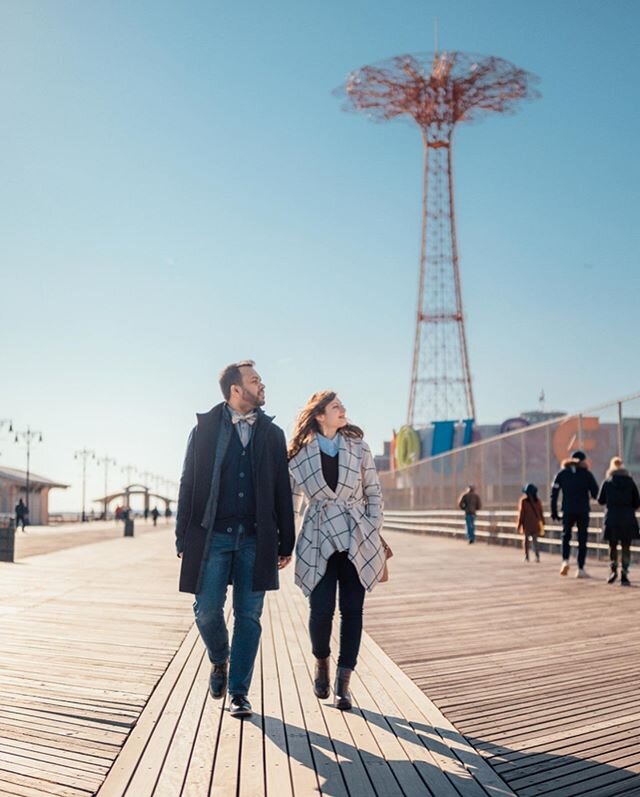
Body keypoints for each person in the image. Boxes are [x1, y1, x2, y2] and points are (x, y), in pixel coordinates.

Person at [175, 361, 295, 720]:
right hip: (212, 536)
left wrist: (285, 542)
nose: (263, 385)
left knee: (249, 616)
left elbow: (281, 491)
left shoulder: (272, 435)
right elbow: (188, 483)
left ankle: (240, 693)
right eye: (255, 381)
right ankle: (219, 658)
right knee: (207, 609)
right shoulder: (204, 429)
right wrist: (182, 536)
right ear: (236, 390)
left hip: (256, 540)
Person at [288, 391, 387, 711]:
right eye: (336, 407)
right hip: (317, 537)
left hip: (356, 534)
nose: (343, 410)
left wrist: (372, 526)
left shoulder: (359, 447)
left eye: (342, 406)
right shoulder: (298, 456)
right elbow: (290, 504)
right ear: (320, 415)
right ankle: (322, 664)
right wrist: (284, 544)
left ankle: (344, 683)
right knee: (320, 609)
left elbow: (374, 491)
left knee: (353, 610)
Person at [551, 449, 599, 578]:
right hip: (583, 510)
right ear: (582, 461)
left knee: (566, 535)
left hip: (567, 509)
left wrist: (554, 511)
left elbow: (554, 494)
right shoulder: (587, 474)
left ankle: (565, 560)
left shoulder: (562, 474)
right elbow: (596, 493)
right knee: (582, 539)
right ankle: (581, 568)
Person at [597, 456, 640, 586]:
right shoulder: (630, 482)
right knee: (626, 546)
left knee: (613, 545)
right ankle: (625, 573)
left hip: (612, 517)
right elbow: (637, 502)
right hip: (628, 517)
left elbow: (600, 500)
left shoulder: (607, 482)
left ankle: (613, 570)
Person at [516, 483, 544, 562]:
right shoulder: (537, 501)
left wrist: (519, 525)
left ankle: (527, 556)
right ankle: (537, 556)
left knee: (526, 541)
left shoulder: (524, 501)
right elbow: (541, 513)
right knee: (535, 541)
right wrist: (542, 523)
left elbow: (521, 514)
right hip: (535, 524)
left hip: (527, 524)